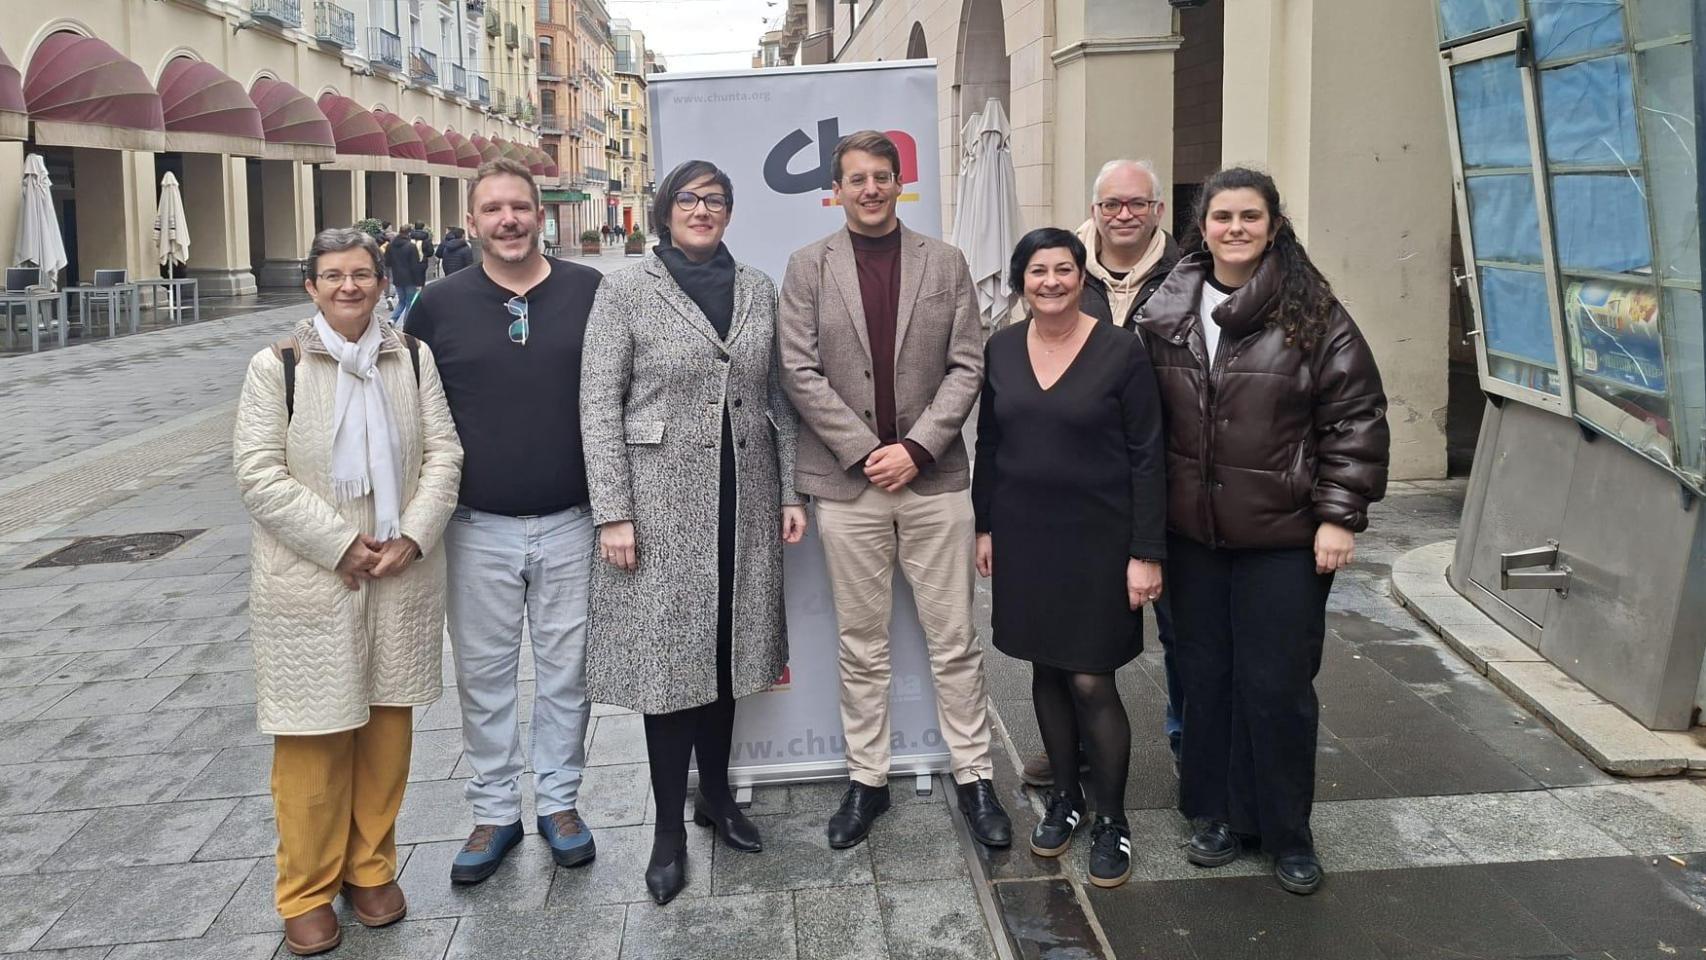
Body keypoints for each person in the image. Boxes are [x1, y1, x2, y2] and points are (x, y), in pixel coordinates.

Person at [1135, 166, 1389, 896]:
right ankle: (1213, 813)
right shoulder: (1165, 306)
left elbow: (1355, 416)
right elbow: (1138, 422)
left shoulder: (1312, 311)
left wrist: (1339, 513)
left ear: (1274, 226)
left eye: (1250, 217)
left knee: (1277, 685)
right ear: (1201, 226)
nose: (1235, 229)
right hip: (1191, 538)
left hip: (1283, 536)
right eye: (1222, 217)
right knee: (1205, 680)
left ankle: (1285, 829)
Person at [233, 227, 464, 956]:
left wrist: (412, 534)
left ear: (381, 281)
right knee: (313, 741)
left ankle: (370, 869)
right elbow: (258, 473)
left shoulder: (411, 356)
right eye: (332, 276)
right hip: (312, 577)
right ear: (310, 286)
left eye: (361, 274)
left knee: (387, 735)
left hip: (399, 574)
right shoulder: (278, 367)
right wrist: (338, 544)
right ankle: (305, 888)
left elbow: (444, 453)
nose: (349, 288)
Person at [581, 159, 807, 905]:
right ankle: (668, 833)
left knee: (727, 650)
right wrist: (614, 511)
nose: (703, 210)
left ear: (730, 212)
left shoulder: (756, 288)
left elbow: (776, 397)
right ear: (665, 210)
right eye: (689, 198)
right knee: (669, 667)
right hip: (658, 504)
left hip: (743, 494)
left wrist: (791, 488)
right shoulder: (625, 288)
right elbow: (597, 404)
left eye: (716, 199)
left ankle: (719, 798)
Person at [779, 130, 1011, 851]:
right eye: (857, 178)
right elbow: (798, 371)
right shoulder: (807, 266)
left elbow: (967, 367)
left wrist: (915, 448)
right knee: (861, 644)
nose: (871, 188)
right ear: (836, 189)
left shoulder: (944, 262)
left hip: (934, 480)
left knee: (955, 640)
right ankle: (867, 780)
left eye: (883, 176)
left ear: (900, 183)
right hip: (850, 489)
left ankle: (974, 776)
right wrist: (867, 452)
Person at [406, 158, 606, 885]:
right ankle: (494, 811)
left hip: (573, 518)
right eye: (493, 210)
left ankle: (558, 803)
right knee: (485, 676)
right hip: (475, 524)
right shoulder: (437, 305)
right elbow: (408, 404)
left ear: (540, 215)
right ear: (472, 223)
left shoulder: (590, 291)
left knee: (567, 673)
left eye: (519, 207)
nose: (509, 220)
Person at [972, 227, 1165, 889]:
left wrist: (1146, 552)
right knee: (1047, 671)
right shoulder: (999, 349)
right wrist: (985, 525)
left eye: (1063, 270)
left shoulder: (1121, 352)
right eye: (1037, 271)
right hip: (1026, 535)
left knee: (1091, 678)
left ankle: (1112, 819)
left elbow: (1147, 456)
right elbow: (991, 446)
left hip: (1100, 540)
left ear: (1082, 277)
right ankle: (1065, 798)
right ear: (1021, 281)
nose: (1050, 282)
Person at [1021, 158, 1187, 789]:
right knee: (1072, 634)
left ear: (1158, 211)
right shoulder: (1062, 269)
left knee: (1179, 625)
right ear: (1094, 210)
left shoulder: (1187, 274)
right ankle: (1075, 751)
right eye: (1112, 204)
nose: (1124, 215)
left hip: (1168, 474)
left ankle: (1185, 744)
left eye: (1137, 204)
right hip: (1080, 494)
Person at [384, 229, 421, 324]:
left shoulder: (390, 246)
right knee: (409, 301)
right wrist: (418, 281)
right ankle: (406, 323)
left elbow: (387, 262)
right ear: (408, 234)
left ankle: (392, 320)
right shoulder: (411, 246)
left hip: (397, 277)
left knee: (401, 301)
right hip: (410, 279)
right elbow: (415, 265)